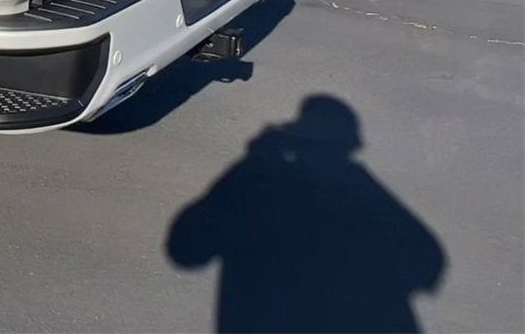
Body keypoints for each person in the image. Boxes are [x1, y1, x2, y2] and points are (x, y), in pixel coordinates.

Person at [167, 95, 445, 332]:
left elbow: (185, 249)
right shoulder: (358, 186)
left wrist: (249, 165)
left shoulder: (258, 182)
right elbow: (428, 260)